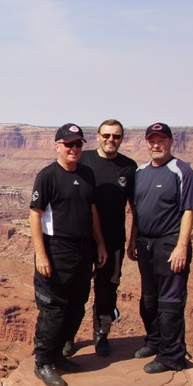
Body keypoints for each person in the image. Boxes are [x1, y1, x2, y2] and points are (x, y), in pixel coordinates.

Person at [29, 123, 107, 386]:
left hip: (83, 250)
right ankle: (43, 363)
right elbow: (35, 216)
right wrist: (41, 255)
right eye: (68, 144)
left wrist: (100, 244)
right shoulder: (47, 176)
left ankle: (59, 355)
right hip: (57, 249)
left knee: (77, 305)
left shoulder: (86, 174)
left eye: (78, 144)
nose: (74, 149)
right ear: (57, 146)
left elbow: (92, 210)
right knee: (53, 309)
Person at [127, 122, 193, 373]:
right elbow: (136, 210)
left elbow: (189, 210)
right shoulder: (141, 172)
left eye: (161, 140)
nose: (156, 145)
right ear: (147, 143)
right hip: (145, 242)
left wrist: (181, 247)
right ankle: (155, 341)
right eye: (152, 140)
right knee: (149, 299)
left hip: (170, 241)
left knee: (170, 301)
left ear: (171, 142)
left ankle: (172, 357)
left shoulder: (181, 170)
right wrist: (133, 240)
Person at [63, 119, 137, 358]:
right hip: (83, 239)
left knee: (108, 289)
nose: (111, 140)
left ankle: (101, 334)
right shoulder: (83, 160)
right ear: (98, 136)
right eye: (107, 135)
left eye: (116, 136)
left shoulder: (129, 167)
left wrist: (133, 239)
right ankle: (67, 336)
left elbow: (135, 208)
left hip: (114, 238)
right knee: (76, 289)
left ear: (122, 139)